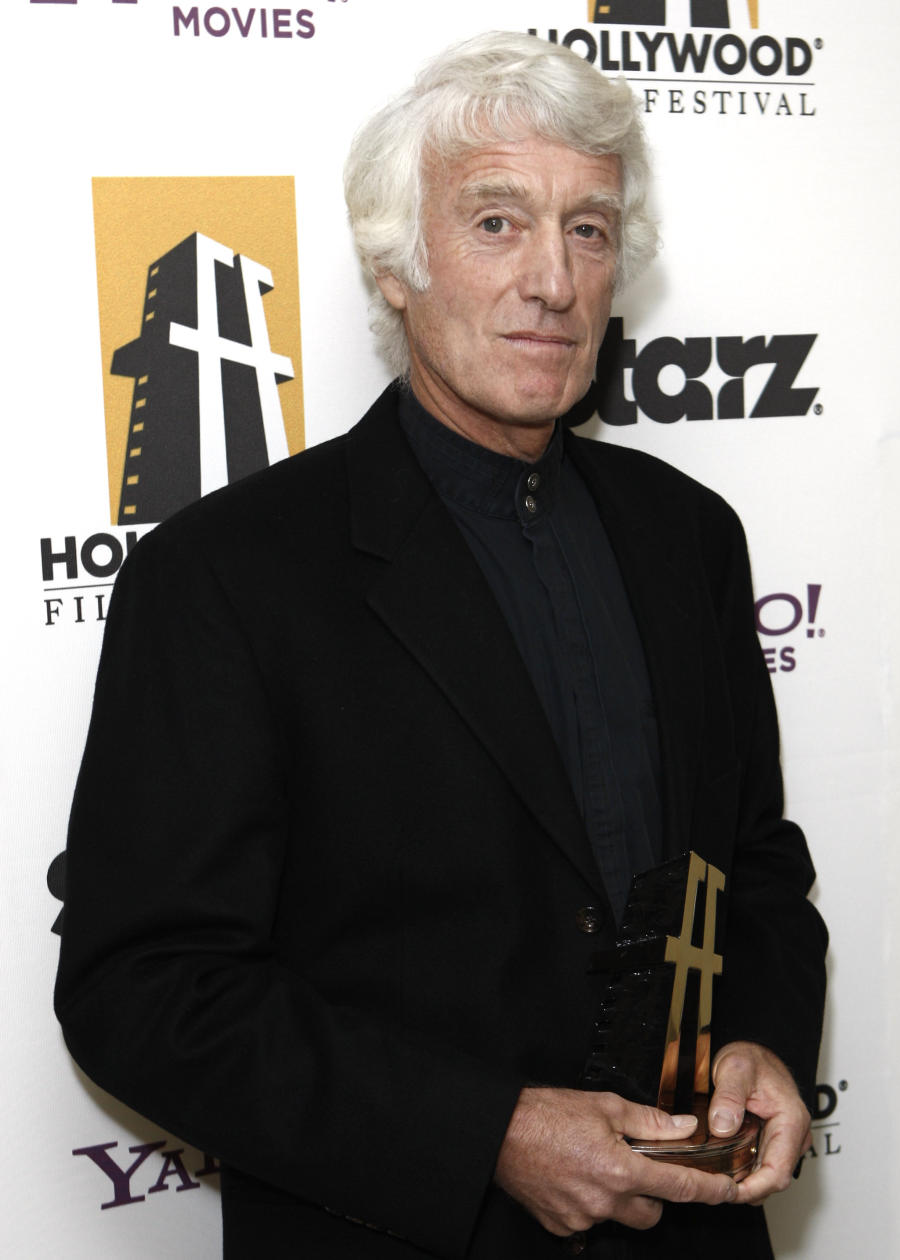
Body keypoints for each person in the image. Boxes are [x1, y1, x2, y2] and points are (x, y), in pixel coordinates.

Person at [55, 31, 827, 1260]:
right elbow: (145, 992)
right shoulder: (225, 577)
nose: (554, 283)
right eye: (496, 222)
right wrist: (489, 1134)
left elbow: (756, 868)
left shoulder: (690, 538)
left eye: (588, 230)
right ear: (395, 267)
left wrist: (764, 1038)